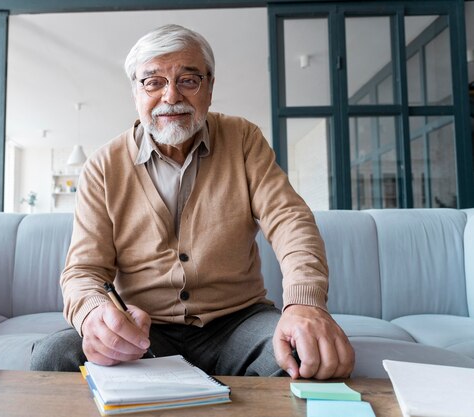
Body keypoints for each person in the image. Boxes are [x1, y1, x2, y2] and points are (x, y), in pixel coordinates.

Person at [31, 24, 354, 379]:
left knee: (303, 356)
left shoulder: (243, 139)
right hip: (144, 330)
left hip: (238, 322)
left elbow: (289, 220)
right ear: (135, 92)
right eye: (153, 82)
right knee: (53, 357)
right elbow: (83, 271)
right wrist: (94, 315)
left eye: (188, 80)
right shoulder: (103, 165)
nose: (171, 96)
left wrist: (305, 302)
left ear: (210, 87)